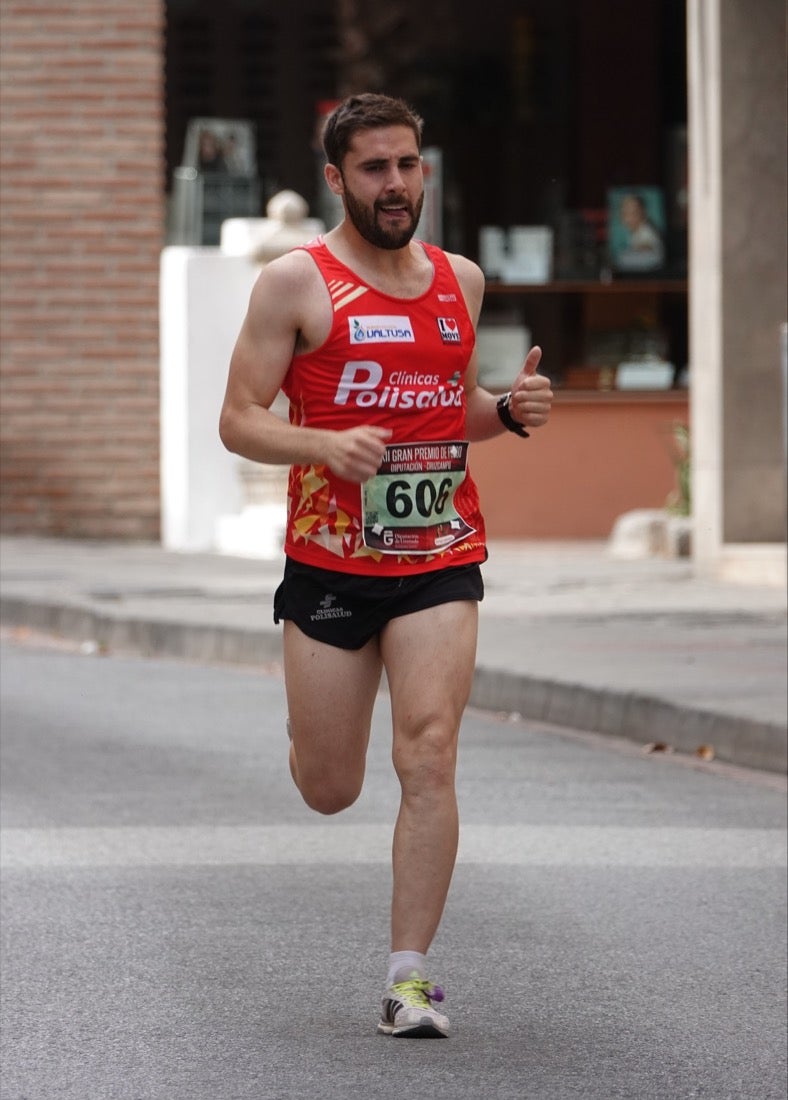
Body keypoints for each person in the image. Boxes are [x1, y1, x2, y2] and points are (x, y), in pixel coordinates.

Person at [219, 92, 553, 1039]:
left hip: (438, 552)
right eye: (374, 168)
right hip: (328, 562)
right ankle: (312, 723)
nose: (396, 183)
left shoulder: (461, 280)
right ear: (337, 178)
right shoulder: (297, 283)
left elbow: (456, 411)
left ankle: (410, 979)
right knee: (331, 786)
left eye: (408, 164)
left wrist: (513, 409)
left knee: (430, 753)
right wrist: (324, 445)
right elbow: (239, 418)